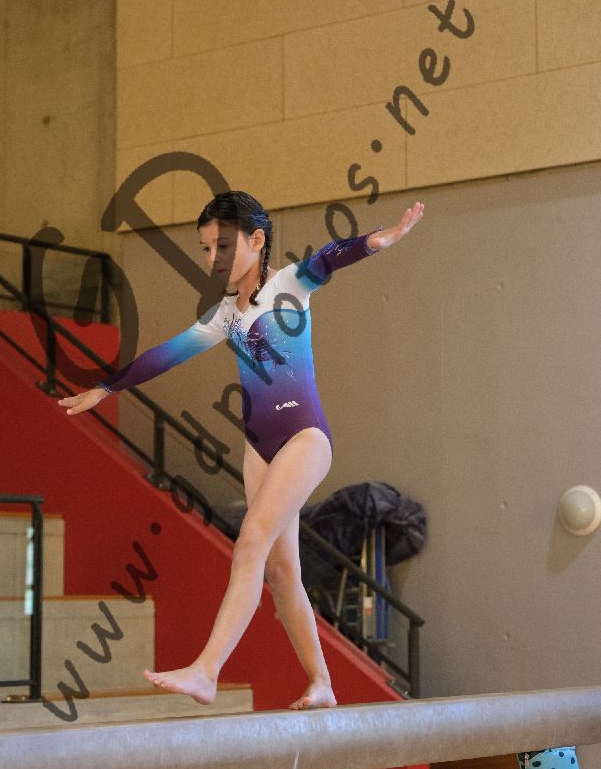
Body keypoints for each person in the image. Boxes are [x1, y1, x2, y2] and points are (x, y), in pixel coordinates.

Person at [59, 191, 424, 709]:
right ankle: (321, 683)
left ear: (256, 239)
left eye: (223, 246)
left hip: (303, 438)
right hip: (258, 447)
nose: (214, 259)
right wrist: (107, 387)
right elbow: (167, 354)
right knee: (281, 572)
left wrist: (374, 241)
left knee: (250, 540)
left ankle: (207, 670)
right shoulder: (226, 315)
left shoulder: (289, 284)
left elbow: (328, 259)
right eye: (206, 249)